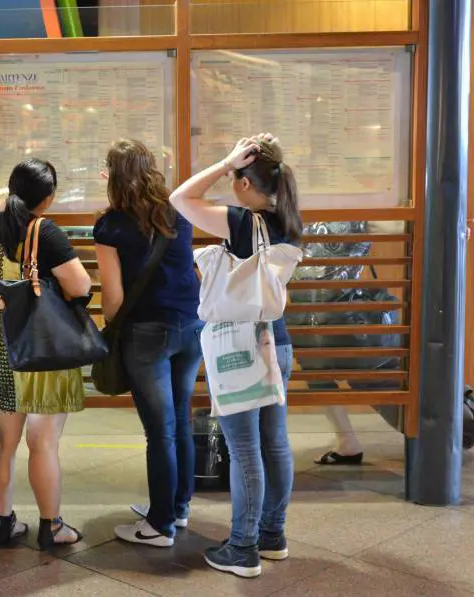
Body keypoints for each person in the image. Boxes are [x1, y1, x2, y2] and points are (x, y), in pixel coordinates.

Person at [170, 133, 301, 578]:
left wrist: (225, 162)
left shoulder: (243, 222)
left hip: (239, 346)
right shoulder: (288, 220)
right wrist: (234, 165)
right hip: (277, 341)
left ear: (245, 183)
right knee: (275, 443)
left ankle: (243, 548)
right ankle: (272, 536)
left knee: (244, 449)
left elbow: (180, 198)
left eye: (234, 178)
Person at [0, 158, 91, 550]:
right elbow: (81, 286)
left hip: (1, 358)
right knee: (43, 445)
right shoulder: (46, 233)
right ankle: (51, 527)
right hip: (44, 357)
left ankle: (4, 522)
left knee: (2, 447)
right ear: (48, 198)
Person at [94, 139, 203, 548]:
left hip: (147, 335)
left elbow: (113, 297)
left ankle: (159, 526)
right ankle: (177, 507)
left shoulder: (111, 226)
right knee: (180, 420)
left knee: (160, 431)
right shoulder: (177, 212)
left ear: (114, 177)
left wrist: (110, 326)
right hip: (191, 327)